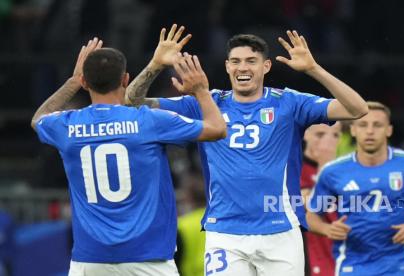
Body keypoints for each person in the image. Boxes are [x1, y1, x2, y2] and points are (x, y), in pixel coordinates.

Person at [126, 26, 368, 275]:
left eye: (252, 61)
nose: (243, 67)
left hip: (280, 231)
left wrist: (313, 69)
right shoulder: (204, 103)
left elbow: (357, 109)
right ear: (228, 66)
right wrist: (155, 64)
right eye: (236, 61)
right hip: (224, 232)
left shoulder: (290, 102)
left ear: (266, 67)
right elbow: (130, 104)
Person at [30, 36, 226, 275]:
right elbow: (217, 129)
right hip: (147, 258)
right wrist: (201, 92)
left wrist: (72, 81)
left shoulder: (67, 126)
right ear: (125, 79)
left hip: (90, 260)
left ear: (84, 81)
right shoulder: (149, 120)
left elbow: (38, 119)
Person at [307, 101, 404, 275]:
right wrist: (327, 229)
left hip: (403, 265)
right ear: (353, 130)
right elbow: (311, 215)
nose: (369, 131)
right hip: (353, 266)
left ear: (389, 130)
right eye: (363, 125)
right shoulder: (332, 171)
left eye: (377, 125)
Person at [300, 123, 341, 276]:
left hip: (340, 256)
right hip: (306, 258)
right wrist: (325, 167)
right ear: (305, 133)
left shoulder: (348, 170)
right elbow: (311, 205)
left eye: (335, 135)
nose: (327, 142)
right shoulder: (291, 167)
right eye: (320, 135)